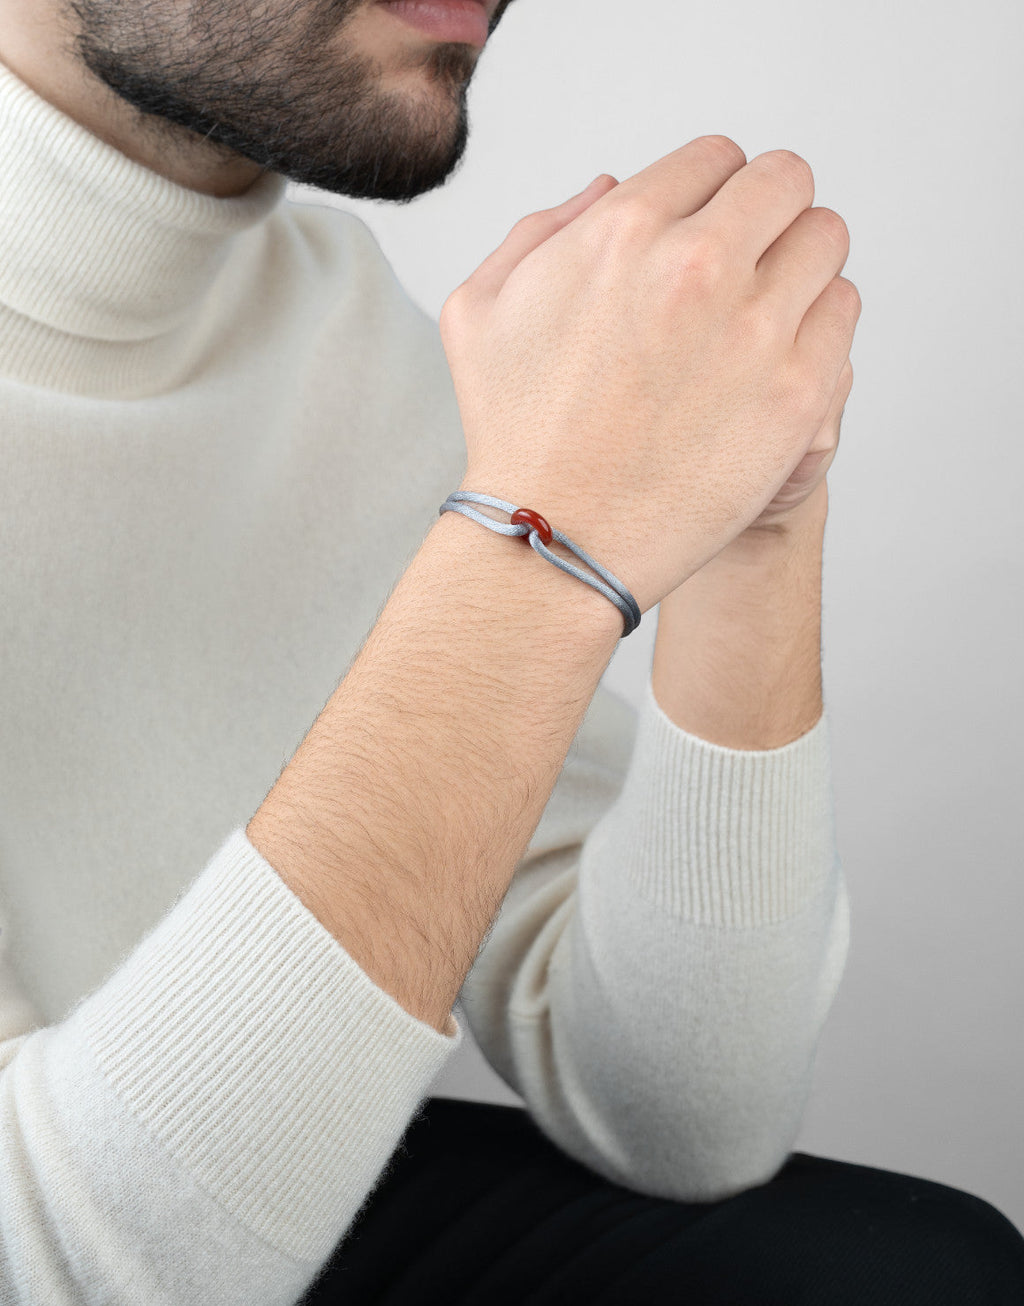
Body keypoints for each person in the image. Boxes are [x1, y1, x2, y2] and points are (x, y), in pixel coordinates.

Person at [0, 0, 1020, 1302]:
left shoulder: (340, 329)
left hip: (214, 1197)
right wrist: (542, 544)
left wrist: (751, 503)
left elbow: (685, 1113)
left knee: (906, 1275)